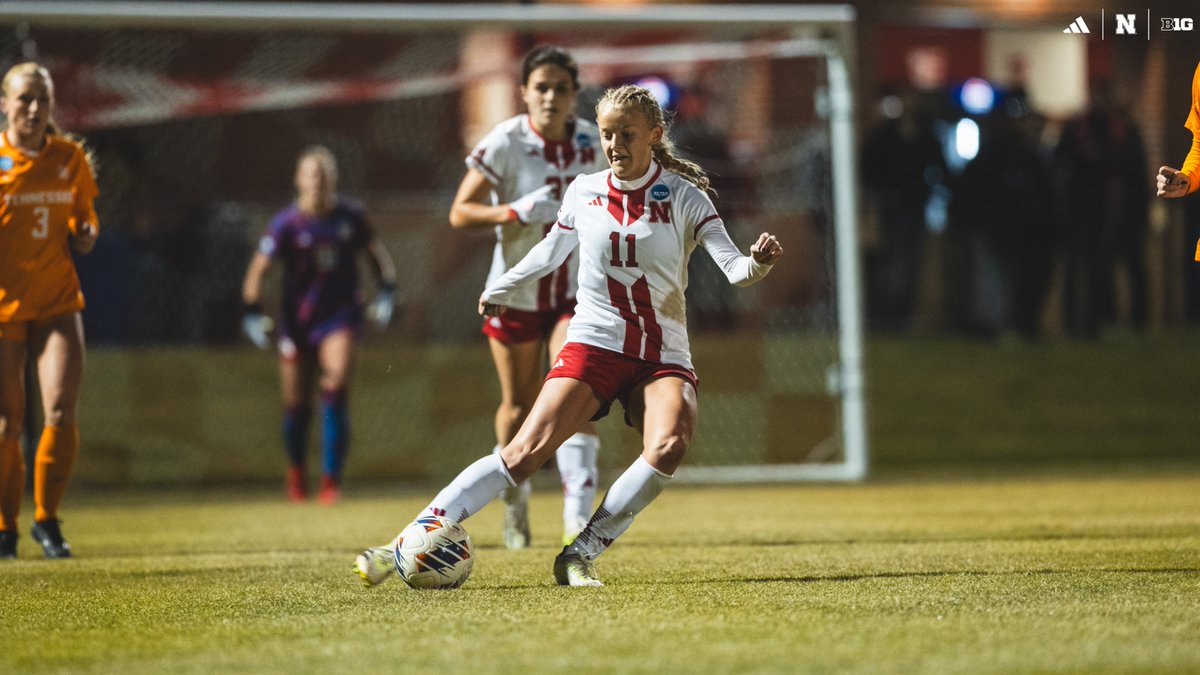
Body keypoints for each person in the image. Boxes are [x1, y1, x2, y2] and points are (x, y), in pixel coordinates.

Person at [355, 84, 781, 587]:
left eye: (626, 134)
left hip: (662, 353)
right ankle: (400, 545)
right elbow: (551, 252)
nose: (615, 144)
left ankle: (579, 553)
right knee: (522, 454)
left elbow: (734, 268)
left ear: (654, 135)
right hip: (595, 342)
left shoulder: (686, 197)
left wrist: (758, 262)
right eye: (606, 134)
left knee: (669, 443)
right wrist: (503, 285)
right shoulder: (585, 190)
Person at [447, 46, 608, 549]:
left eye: (561, 88)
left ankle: (576, 518)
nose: (551, 97)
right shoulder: (507, 142)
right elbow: (460, 212)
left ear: (574, 94)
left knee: (576, 390)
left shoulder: (593, 141)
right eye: (542, 87)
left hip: (575, 295)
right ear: (524, 93)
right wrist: (513, 211)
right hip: (516, 292)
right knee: (518, 406)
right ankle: (514, 498)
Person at [241, 146, 397, 505]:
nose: (318, 181)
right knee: (295, 405)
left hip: (340, 317)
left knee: (335, 385)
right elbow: (257, 271)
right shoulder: (286, 224)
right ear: (298, 180)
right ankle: (296, 472)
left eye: (324, 174)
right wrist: (251, 310)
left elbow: (377, 257)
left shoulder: (350, 217)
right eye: (311, 174)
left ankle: (331, 480)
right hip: (297, 323)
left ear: (334, 179)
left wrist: (388, 291)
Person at [0, 62, 100, 559]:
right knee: (6, 423)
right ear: (4, 104)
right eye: (24, 99)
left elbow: (86, 222)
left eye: (42, 99)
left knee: (59, 410)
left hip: (58, 301)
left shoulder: (69, 158)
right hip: (3, 310)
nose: (35, 109)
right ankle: (4, 528)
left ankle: (47, 520)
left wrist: (86, 235)